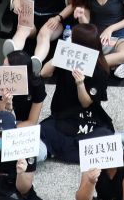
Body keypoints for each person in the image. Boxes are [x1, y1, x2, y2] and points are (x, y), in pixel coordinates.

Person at [38, 24, 114, 163]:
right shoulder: (67, 58)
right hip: (63, 113)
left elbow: (86, 103)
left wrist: (80, 84)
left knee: (105, 135)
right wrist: (60, 53)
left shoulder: (100, 70)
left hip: (85, 117)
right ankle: (74, 150)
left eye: (72, 38)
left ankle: (65, 149)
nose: (69, 39)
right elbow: (44, 72)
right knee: (40, 131)